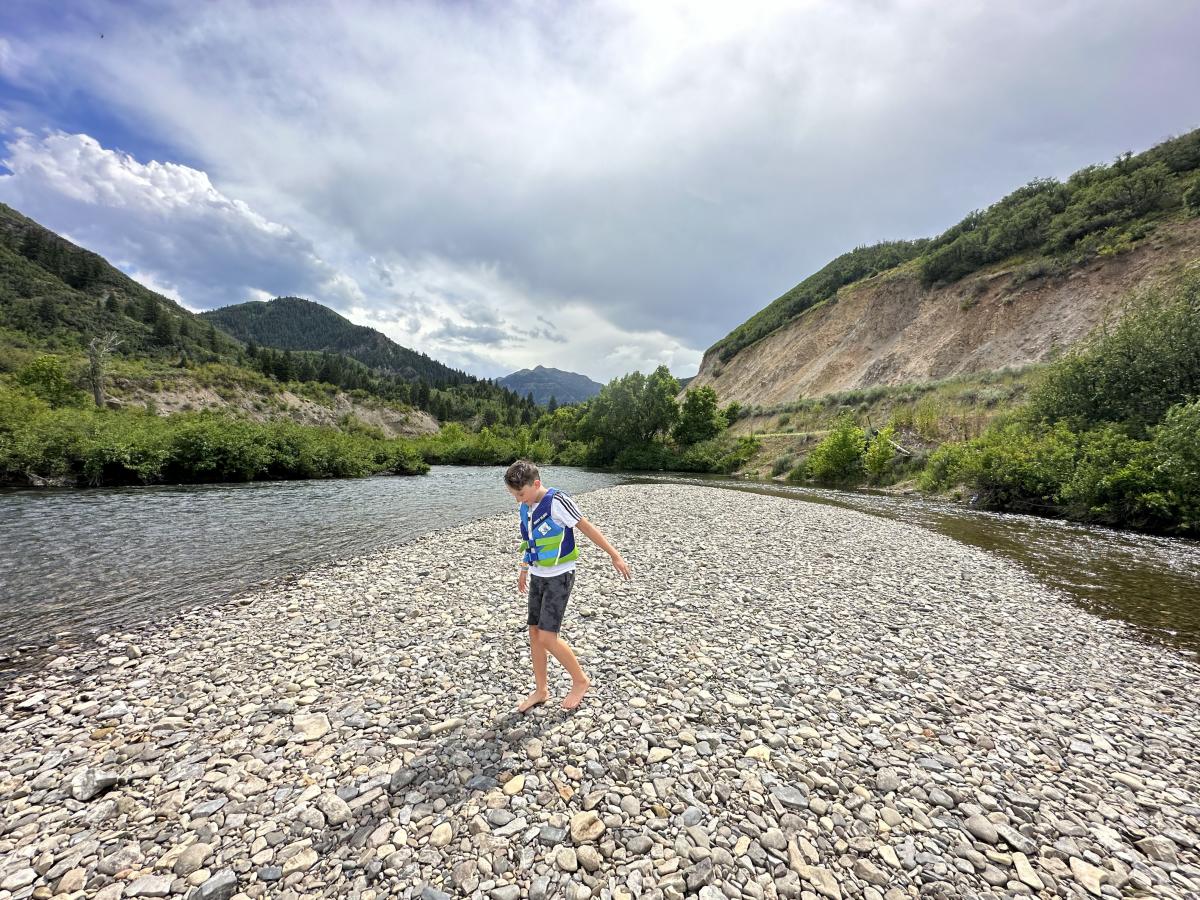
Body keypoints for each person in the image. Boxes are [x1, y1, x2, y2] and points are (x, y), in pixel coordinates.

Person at [504, 460, 630, 711]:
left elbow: (585, 526)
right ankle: (541, 690)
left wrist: (614, 554)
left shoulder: (557, 501)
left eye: (521, 494)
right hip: (538, 575)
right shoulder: (527, 507)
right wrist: (523, 568)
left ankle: (580, 680)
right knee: (534, 633)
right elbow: (530, 540)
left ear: (536, 484)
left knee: (548, 637)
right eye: (514, 495)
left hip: (559, 575)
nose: (518, 499)